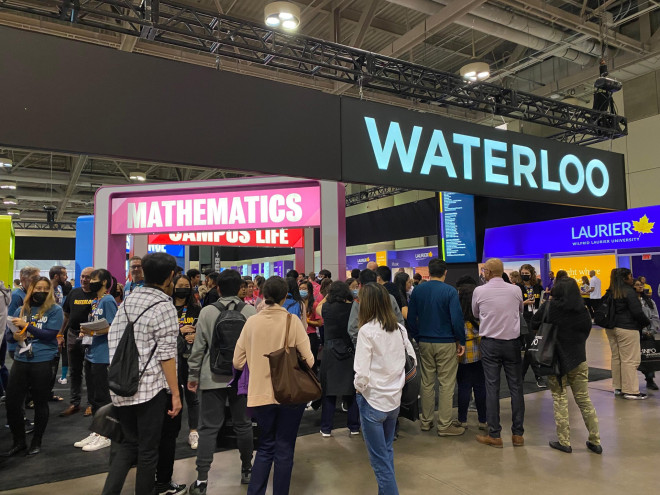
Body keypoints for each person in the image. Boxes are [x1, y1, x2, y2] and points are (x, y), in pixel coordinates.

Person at [102, 253, 181, 495]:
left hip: (121, 384)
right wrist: (175, 394)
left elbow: (113, 339)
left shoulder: (129, 300)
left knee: (127, 445)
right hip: (150, 391)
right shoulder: (164, 306)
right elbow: (167, 355)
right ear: (170, 276)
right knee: (148, 451)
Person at [233, 276, 313, 495]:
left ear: (263, 295)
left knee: (266, 447)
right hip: (290, 394)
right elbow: (310, 360)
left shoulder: (252, 322)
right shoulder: (292, 321)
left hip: (260, 395)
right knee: (285, 448)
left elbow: (237, 361)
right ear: (285, 296)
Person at [187, 269, 256, 494]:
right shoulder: (250, 312)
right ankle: (247, 470)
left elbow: (198, 349)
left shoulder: (207, 312)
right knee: (243, 424)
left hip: (211, 376)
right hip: (242, 378)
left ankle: (201, 480)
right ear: (240, 289)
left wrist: (192, 376)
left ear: (217, 288)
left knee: (208, 428)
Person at [354, 283, 415, 495]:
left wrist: (359, 390)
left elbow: (361, 373)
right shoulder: (399, 329)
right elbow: (412, 360)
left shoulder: (366, 331)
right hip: (394, 401)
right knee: (386, 453)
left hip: (372, 401)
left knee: (380, 463)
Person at [531, 277, 602, 454]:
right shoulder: (582, 310)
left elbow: (534, 324)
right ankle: (595, 440)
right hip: (578, 359)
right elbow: (586, 331)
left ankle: (564, 441)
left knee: (560, 399)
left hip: (554, 360)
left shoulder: (549, 307)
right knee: (584, 399)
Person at [2, 276, 63, 456]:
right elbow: (8, 335)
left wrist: (27, 326)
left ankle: (37, 441)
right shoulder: (22, 309)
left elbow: (49, 335)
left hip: (43, 360)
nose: (41, 292)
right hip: (21, 360)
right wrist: (15, 336)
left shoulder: (55, 310)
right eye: (38, 289)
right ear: (31, 290)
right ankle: (19, 441)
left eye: (45, 289)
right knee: (12, 402)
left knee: (40, 402)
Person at [407, 258, 465, 436]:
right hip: (446, 342)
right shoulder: (450, 291)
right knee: (446, 384)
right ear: (445, 272)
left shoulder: (418, 291)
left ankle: (426, 421)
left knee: (427, 382)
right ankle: (444, 425)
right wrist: (460, 340)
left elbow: (411, 318)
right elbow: (456, 319)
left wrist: (417, 336)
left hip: (424, 341)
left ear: (429, 272)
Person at [472, 258, 525, 448]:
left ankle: (495, 434)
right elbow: (520, 310)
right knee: (516, 388)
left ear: (487, 272)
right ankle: (518, 434)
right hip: (512, 343)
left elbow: (476, 313)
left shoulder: (479, 291)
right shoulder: (515, 290)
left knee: (492, 387)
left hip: (490, 344)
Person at [74, 269, 118, 452]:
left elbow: (114, 326)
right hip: (91, 352)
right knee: (93, 396)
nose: (90, 281)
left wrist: (93, 331)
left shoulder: (108, 300)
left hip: (103, 355)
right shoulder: (95, 302)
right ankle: (97, 431)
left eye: (94, 279)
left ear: (105, 282)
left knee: (102, 396)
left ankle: (106, 434)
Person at [315, 281, 358, 436]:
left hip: (330, 352)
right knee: (351, 389)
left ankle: (326, 428)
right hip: (349, 351)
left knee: (329, 391)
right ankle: (354, 426)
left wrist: (328, 295)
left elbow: (318, 306)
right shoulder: (353, 308)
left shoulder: (326, 308)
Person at [605, 268, 651, 400]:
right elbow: (637, 312)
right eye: (631, 276)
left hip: (611, 328)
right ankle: (631, 390)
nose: (633, 279)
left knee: (617, 358)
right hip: (627, 328)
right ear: (625, 278)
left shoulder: (611, 291)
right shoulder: (629, 292)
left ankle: (619, 387)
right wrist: (646, 323)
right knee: (630, 360)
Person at [58, 267, 94, 418]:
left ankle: (92, 404)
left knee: (91, 372)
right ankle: (75, 403)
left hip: (91, 337)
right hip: (72, 335)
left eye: (88, 277)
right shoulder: (74, 292)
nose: (84, 279)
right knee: (74, 371)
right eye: (82, 276)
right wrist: (60, 333)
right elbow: (66, 315)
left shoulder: (98, 295)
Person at [172, 275, 201, 448]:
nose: (183, 288)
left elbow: (202, 330)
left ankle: (193, 431)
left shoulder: (195, 309)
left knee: (192, 396)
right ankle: (172, 432)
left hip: (189, 357)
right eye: (179, 285)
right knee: (173, 396)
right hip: (171, 358)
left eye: (186, 285)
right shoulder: (167, 308)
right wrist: (179, 330)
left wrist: (195, 335)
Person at [456, 283, 487, 430]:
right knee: (481, 388)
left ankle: (462, 420)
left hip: (462, 359)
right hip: (480, 356)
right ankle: (483, 420)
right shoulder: (480, 316)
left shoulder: (457, 317)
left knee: (463, 388)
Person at [348, 269, 405, 346]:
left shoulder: (359, 300)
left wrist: (360, 344)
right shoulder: (389, 297)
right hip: (390, 345)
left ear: (360, 284)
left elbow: (353, 328)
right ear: (377, 280)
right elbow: (400, 322)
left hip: (368, 347)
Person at [517, 264, 546, 388]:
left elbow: (542, 302)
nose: (525, 275)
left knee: (530, 349)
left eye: (527, 273)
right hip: (524, 319)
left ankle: (521, 375)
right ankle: (539, 376)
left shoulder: (538, 287)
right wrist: (525, 302)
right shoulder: (518, 288)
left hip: (537, 319)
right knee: (531, 347)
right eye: (522, 273)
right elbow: (515, 304)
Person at [633, 277, 660, 391]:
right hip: (635, 333)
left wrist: (652, 330)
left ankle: (650, 380)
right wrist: (642, 331)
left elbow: (655, 316)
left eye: (641, 285)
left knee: (649, 356)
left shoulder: (649, 301)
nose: (641, 286)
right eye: (638, 284)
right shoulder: (631, 301)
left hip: (650, 333)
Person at [300, 280, 321, 370]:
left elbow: (320, 323)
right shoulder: (298, 304)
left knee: (311, 362)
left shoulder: (314, 305)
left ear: (309, 291)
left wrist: (307, 321)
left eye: (304, 289)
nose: (301, 291)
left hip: (311, 336)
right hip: (300, 336)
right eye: (300, 289)